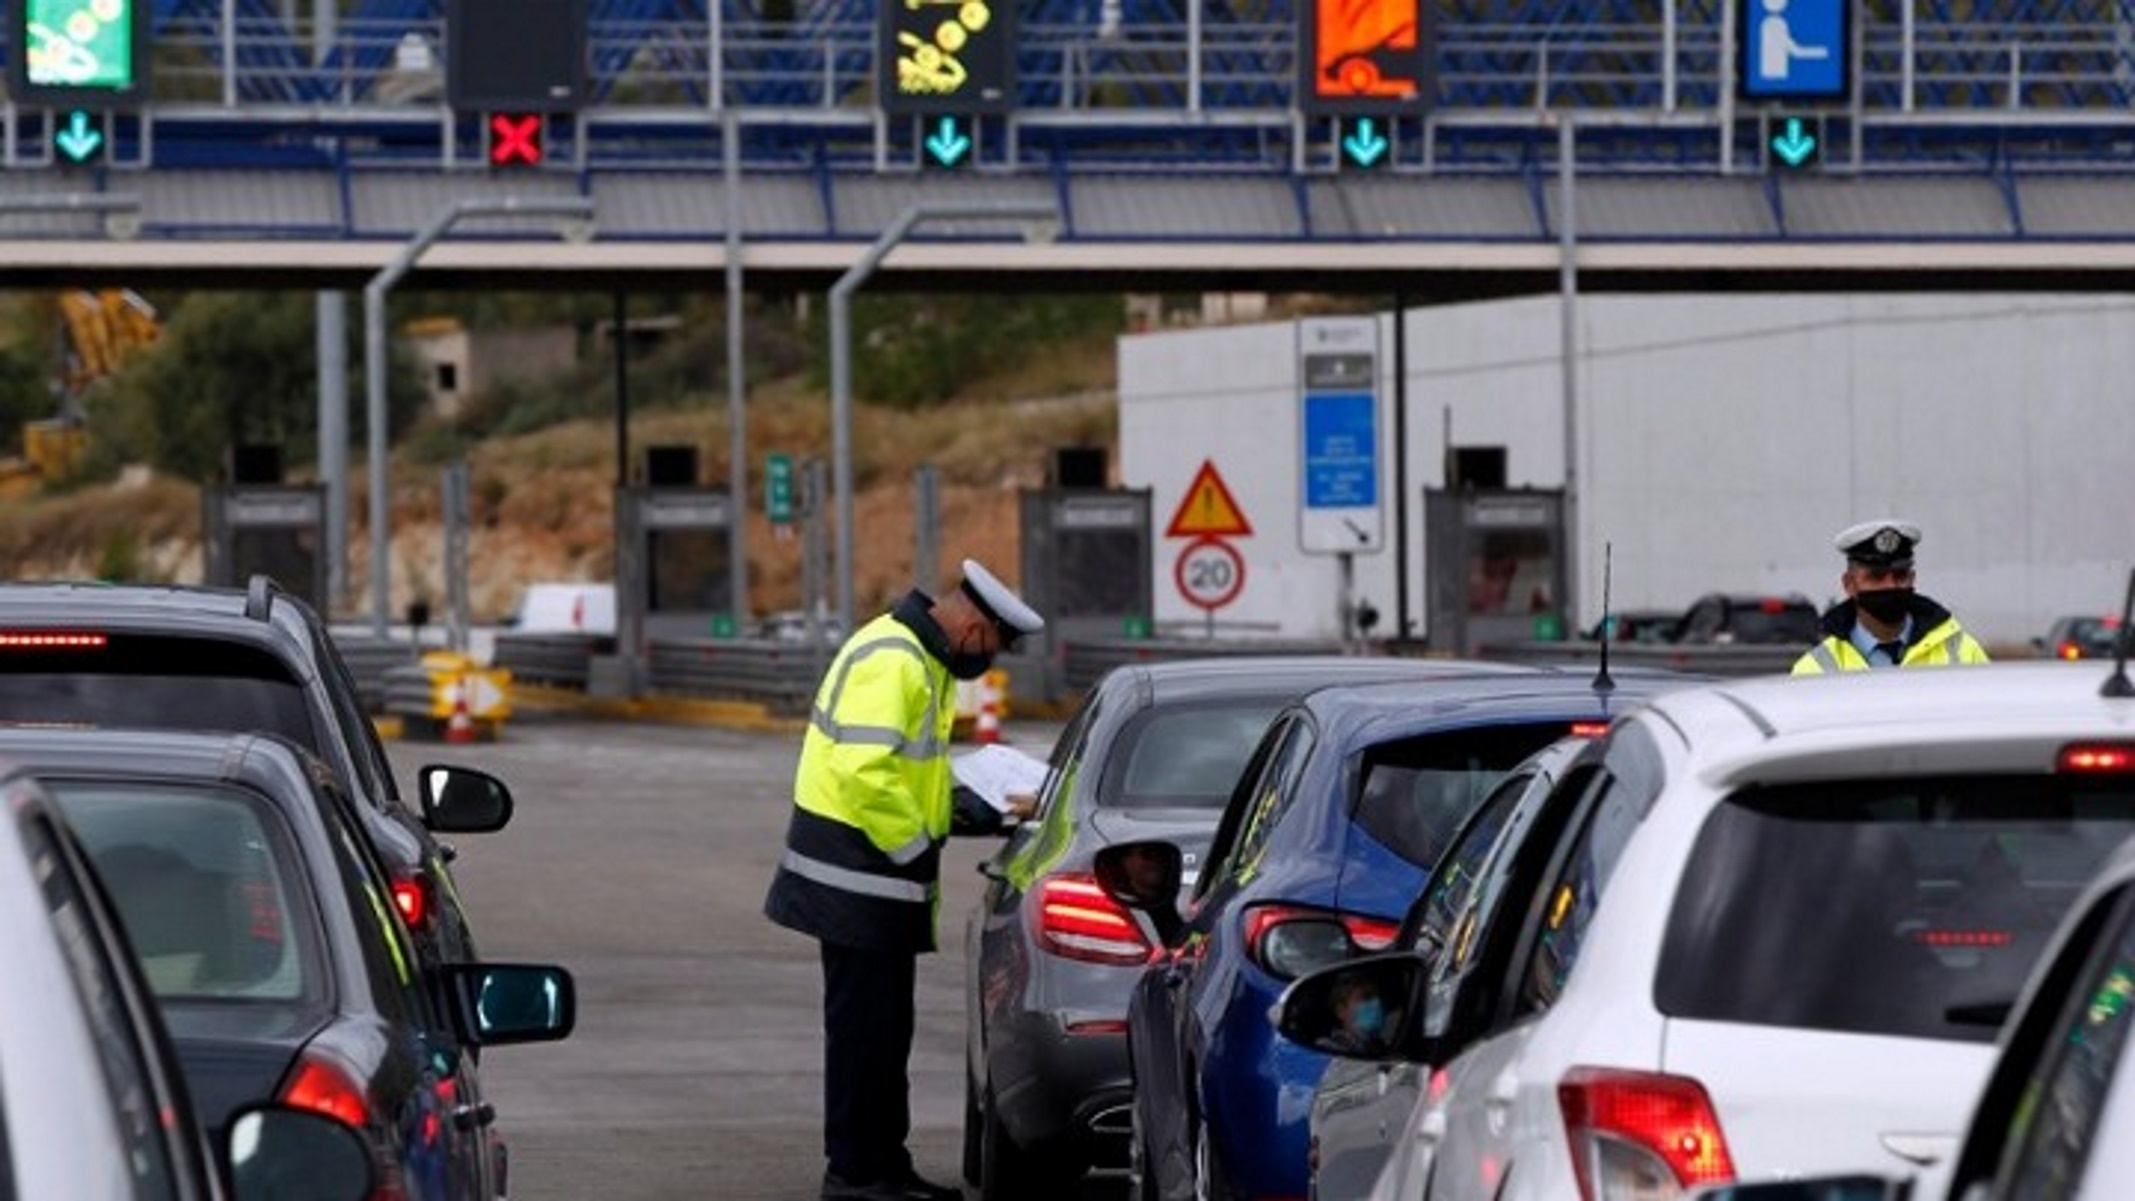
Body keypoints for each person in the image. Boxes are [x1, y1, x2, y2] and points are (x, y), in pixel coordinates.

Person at [764, 557, 1046, 1201]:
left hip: (870, 883)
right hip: (856, 880)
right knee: (866, 1038)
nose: (987, 662)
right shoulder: (897, 660)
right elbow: (867, 774)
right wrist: (921, 841)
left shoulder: (915, 657)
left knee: (884, 1036)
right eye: (992, 646)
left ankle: (883, 1165)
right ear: (972, 624)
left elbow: (907, 772)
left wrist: (973, 808)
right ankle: (858, 1174)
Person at [1792, 519, 1990, 674]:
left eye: (1900, 575)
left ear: (1912, 578)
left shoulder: (1964, 653)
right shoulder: (1815, 670)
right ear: (1849, 584)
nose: (1890, 585)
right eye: (1876, 577)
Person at [1328, 971, 1392, 1054]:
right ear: (1341, 1011)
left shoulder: (1381, 1046)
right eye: (1366, 998)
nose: (1377, 1003)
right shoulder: (1330, 1047)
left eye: (1378, 998)